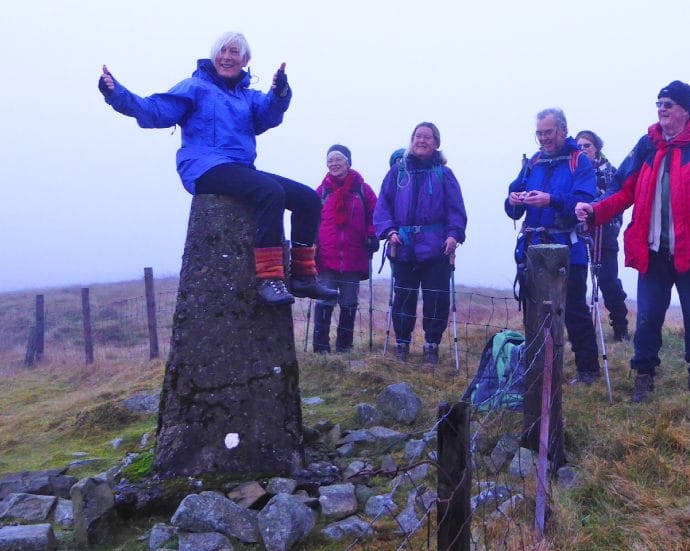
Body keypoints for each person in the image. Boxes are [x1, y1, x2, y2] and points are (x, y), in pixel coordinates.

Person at [98, 32, 336, 305]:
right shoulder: (195, 87)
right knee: (270, 192)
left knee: (307, 199)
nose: (227, 57)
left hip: (239, 168)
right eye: (222, 51)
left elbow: (269, 113)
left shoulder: (248, 98)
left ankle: (303, 277)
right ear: (214, 56)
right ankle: (269, 278)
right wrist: (115, 93)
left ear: (245, 60)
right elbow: (155, 110)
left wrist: (280, 92)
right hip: (202, 167)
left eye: (234, 52)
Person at [575, 81, 690, 402]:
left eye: (668, 105)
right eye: (659, 104)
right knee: (648, 317)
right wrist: (595, 211)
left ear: (685, 110)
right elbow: (622, 190)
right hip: (653, 251)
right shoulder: (647, 145)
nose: (661, 109)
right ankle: (644, 376)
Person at [507, 108, 601, 385]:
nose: (543, 138)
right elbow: (512, 206)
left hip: (566, 247)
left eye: (548, 132)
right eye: (539, 133)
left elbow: (585, 203)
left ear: (563, 130)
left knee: (572, 310)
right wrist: (512, 200)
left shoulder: (578, 162)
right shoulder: (533, 161)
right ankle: (539, 366)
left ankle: (587, 371)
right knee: (534, 309)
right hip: (532, 248)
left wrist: (552, 200)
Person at [374, 123, 467, 365]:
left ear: (436, 143)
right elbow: (383, 206)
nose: (422, 141)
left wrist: (454, 235)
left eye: (427, 137)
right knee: (403, 297)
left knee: (436, 297)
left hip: (437, 248)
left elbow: (456, 209)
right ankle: (402, 345)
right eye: (418, 136)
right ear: (411, 140)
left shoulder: (444, 174)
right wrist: (389, 230)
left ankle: (431, 347)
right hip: (403, 246)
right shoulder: (397, 173)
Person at [312, 145, 379, 353]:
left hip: (353, 256)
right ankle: (320, 346)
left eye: (338, 159)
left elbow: (375, 215)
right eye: (330, 160)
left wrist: (371, 235)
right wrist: (310, 243)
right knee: (325, 299)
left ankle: (344, 346)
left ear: (348, 162)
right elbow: (311, 219)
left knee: (349, 301)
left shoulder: (362, 189)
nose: (334, 164)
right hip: (327, 256)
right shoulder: (321, 191)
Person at [574, 130, 630, 342]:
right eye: (579, 146)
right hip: (577, 235)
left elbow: (618, 202)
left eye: (587, 145)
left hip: (604, 235)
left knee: (607, 282)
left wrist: (607, 226)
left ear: (596, 147)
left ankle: (621, 328)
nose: (583, 149)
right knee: (577, 282)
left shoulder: (611, 173)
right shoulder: (575, 171)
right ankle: (582, 331)